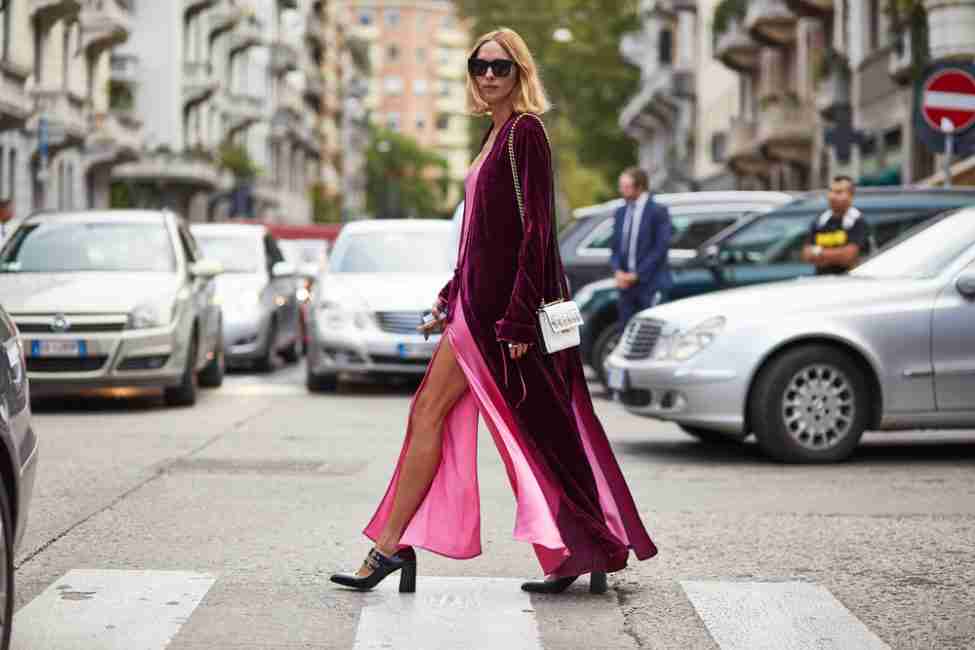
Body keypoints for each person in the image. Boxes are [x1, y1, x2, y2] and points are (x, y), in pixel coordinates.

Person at [330, 27, 656, 596]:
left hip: (499, 321)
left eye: (500, 68)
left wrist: (517, 318)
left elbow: (535, 234)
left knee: (524, 425)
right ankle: (578, 549)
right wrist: (449, 296)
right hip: (475, 310)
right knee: (524, 426)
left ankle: (393, 549)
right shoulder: (494, 135)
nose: (487, 76)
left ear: (520, 75)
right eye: (479, 66)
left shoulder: (525, 134)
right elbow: (484, 239)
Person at [610, 168, 673, 328]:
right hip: (626, 287)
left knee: (651, 333)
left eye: (626, 187)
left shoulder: (658, 211)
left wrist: (637, 275)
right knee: (626, 330)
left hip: (650, 284)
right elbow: (615, 247)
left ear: (639, 187)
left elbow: (660, 249)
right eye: (621, 186)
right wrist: (618, 272)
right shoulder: (620, 212)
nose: (622, 191)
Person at [801, 175, 867, 275]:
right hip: (820, 281)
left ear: (851, 196)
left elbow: (849, 256)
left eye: (839, 192)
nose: (832, 196)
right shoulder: (820, 221)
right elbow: (806, 254)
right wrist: (838, 255)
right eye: (831, 191)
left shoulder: (857, 221)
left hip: (849, 282)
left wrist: (819, 253)